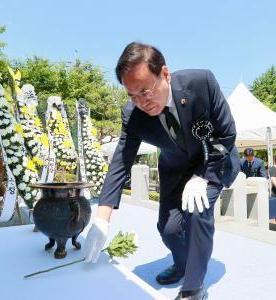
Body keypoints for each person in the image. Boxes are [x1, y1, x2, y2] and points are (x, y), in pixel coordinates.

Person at [84, 42, 240, 300]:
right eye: (132, 95)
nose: (142, 102)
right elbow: (121, 162)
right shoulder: (132, 115)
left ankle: (193, 287)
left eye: (146, 91)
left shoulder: (201, 83)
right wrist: (102, 218)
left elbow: (226, 134)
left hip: (214, 161)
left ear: (165, 74)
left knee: (197, 212)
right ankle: (181, 264)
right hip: (175, 170)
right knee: (168, 229)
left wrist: (202, 177)